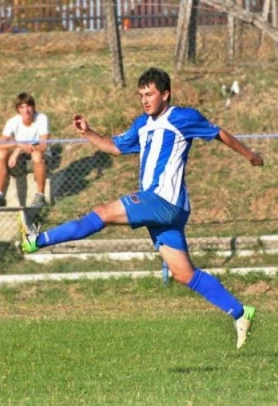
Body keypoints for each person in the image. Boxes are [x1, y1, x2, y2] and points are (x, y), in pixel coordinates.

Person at [19, 68, 264, 349]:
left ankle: (36, 241)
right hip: (168, 210)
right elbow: (114, 147)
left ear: (165, 94)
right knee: (183, 273)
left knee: (102, 212)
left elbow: (219, 133)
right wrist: (89, 132)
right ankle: (240, 312)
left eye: (150, 94)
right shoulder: (142, 124)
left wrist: (250, 155)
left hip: (162, 200)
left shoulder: (183, 118)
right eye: (141, 95)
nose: (145, 100)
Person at [0, 92, 49, 208]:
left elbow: (43, 145)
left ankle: (40, 196)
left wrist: (19, 149)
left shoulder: (41, 118)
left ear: (33, 107)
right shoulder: (13, 121)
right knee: (1, 153)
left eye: (28, 106)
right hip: (20, 158)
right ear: (18, 110)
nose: (26, 110)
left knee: (37, 155)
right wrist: (18, 145)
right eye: (22, 107)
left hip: (39, 155)